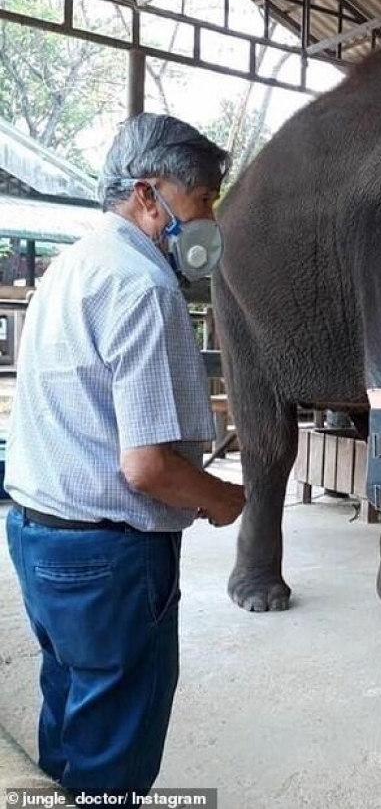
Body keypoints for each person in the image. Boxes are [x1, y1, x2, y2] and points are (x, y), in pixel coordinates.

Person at [4, 113, 246, 800]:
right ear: (148, 195)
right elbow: (147, 467)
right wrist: (221, 497)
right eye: (202, 200)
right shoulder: (144, 285)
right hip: (108, 560)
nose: (208, 219)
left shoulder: (72, 266)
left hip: (38, 536)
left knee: (71, 711)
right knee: (115, 750)